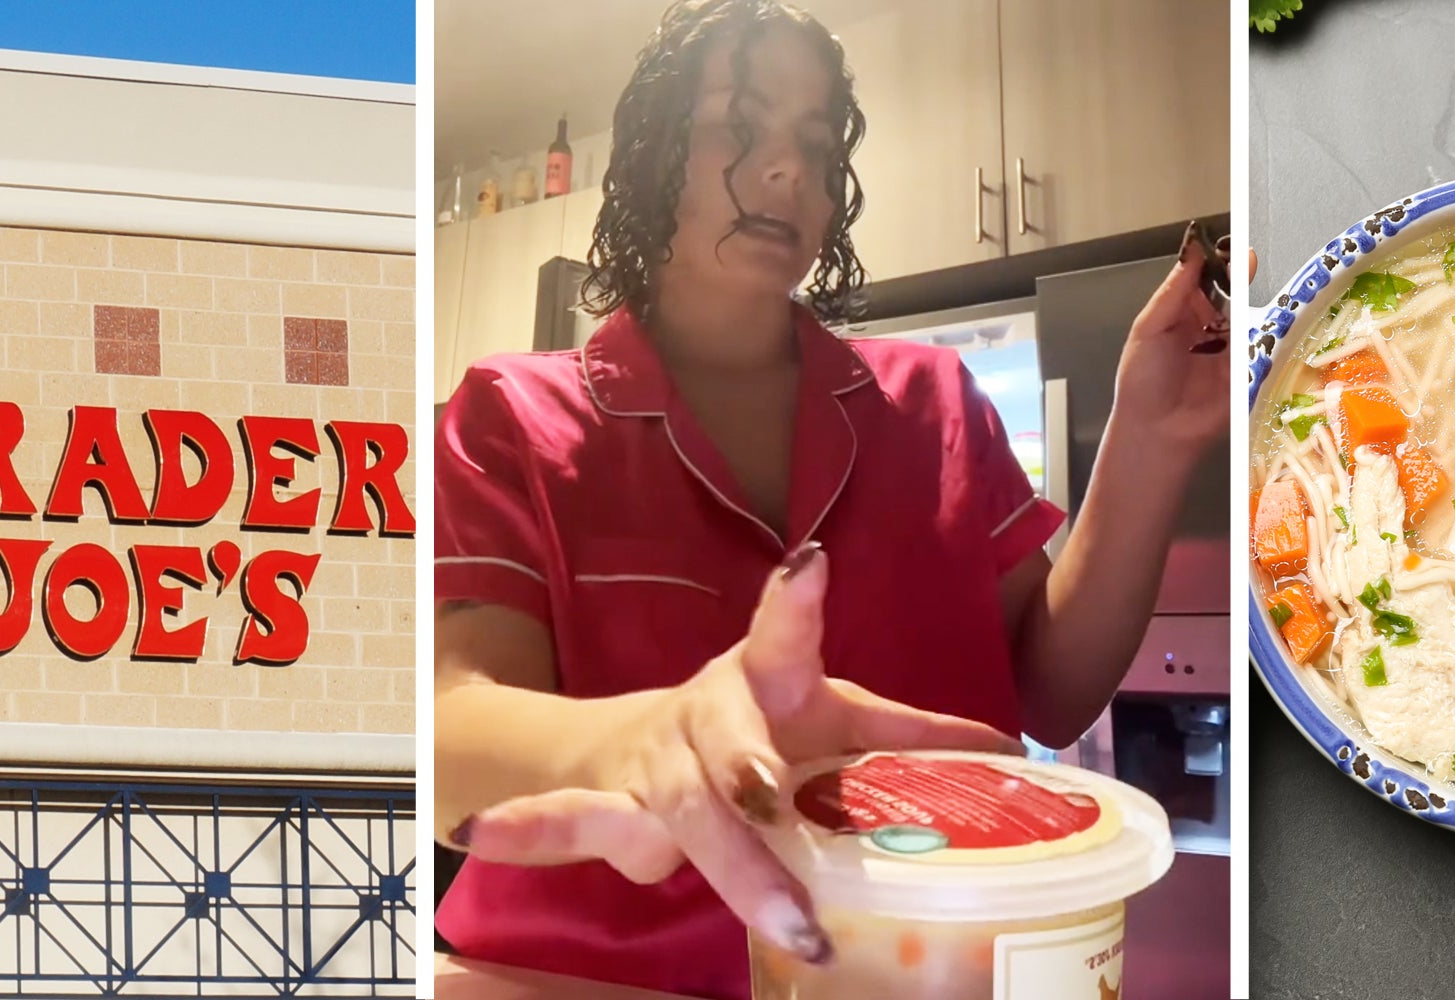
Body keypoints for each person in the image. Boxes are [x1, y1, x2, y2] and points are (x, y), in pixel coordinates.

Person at [432, 1, 1229, 996]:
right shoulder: (509, 414)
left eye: (816, 145)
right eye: (739, 125)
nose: (787, 172)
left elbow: (1054, 688)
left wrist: (1148, 441)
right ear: (648, 151)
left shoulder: (932, 400)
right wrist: (643, 735)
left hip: (915, 970)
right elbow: (450, 727)